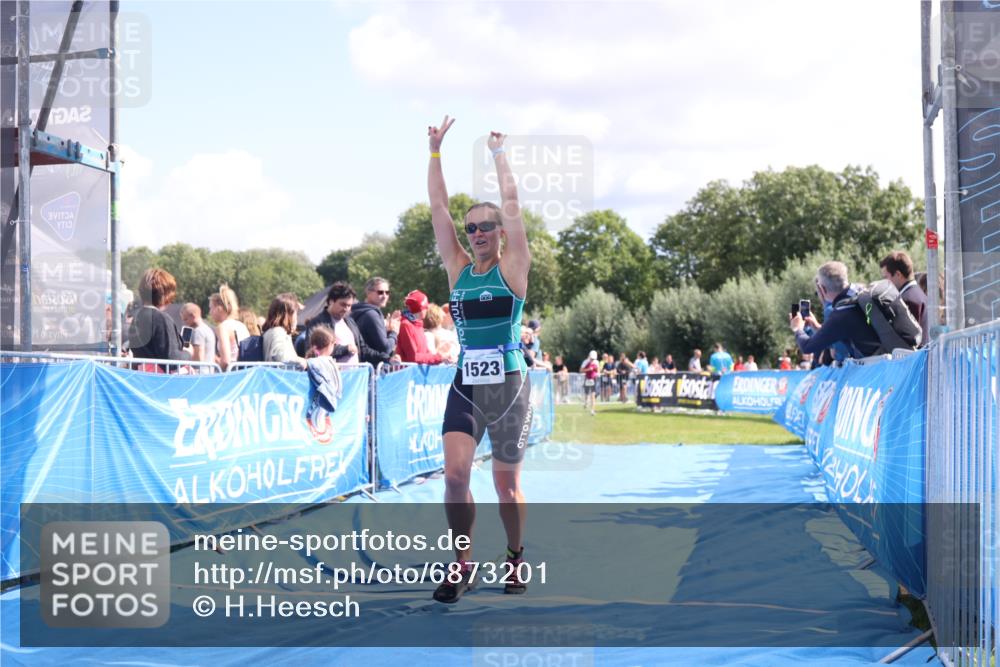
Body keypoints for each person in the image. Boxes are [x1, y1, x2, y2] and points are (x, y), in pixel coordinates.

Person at [427, 116, 532, 603]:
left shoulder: (513, 267)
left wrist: (497, 154)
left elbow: (512, 208)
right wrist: (434, 152)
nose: (474, 233)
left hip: (509, 384)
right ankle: (462, 562)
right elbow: (438, 208)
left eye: (484, 226)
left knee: (506, 487)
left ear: (500, 232)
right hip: (467, 380)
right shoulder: (458, 271)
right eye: (469, 228)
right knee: (454, 476)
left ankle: (514, 557)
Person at [791, 261, 882, 359]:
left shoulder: (841, 314)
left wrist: (798, 328)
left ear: (822, 289)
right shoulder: (863, 291)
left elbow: (807, 347)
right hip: (890, 358)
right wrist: (816, 327)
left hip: (875, 367)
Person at [128, 268, 188, 369]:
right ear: (166, 293)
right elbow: (171, 360)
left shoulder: (137, 317)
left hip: (142, 378)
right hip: (160, 381)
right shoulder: (160, 319)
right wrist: (188, 354)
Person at [304, 282, 363, 364]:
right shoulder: (317, 323)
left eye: (349, 306)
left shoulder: (350, 322)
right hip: (331, 374)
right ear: (331, 301)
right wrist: (345, 349)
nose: (346, 309)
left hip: (354, 374)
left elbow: (362, 347)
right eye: (343, 304)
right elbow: (313, 351)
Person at [351, 277, 402, 366]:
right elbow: (385, 348)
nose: (385, 296)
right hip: (372, 369)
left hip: (365, 367)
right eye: (380, 292)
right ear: (368, 293)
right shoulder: (371, 315)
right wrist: (393, 332)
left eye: (387, 292)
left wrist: (387, 331)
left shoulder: (362, 311)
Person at [880, 251, 927, 345]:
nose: (884, 282)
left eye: (886, 277)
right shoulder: (917, 293)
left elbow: (910, 339)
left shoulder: (907, 300)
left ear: (898, 274)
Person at [209, 284, 251, 371]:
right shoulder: (241, 325)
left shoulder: (223, 327)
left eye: (211, 308)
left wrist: (215, 370)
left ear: (219, 308)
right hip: (244, 373)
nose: (210, 312)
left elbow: (226, 361)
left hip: (231, 375)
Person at [397, 290, 444, 365]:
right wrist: (438, 357)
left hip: (418, 373)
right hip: (409, 374)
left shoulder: (418, 324)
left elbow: (425, 351)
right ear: (421, 309)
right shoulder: (406, 325)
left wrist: (440, 357)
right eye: (426, 307)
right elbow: (413, 357)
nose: (427, 309)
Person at [262, 293, 306, 368]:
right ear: (288, 314)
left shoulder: (277, 331)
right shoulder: (278, 332)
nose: (296, 318)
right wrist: (301, 361)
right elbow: (282, 357)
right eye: (296, 313)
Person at [180, 303, 217, 373]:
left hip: (200, 374)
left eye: (185, 319)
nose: (184, 323)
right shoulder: (207, 329)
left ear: (193, 316)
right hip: (209, 372)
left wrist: (187, 351)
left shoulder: (198, 332)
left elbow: (198, 359)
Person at [581, 350, 600, 415]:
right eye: (591, 358)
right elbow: (581, 370)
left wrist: (597, 373)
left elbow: (598, 369)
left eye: (593, 359)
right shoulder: (585, 362)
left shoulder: (596, 362)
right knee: (586, 393)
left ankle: (592, 410)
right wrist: (588, 369)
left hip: (593, 379)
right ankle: (586, 402)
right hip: (587, 378)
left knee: (593, 395)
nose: (592, 360)